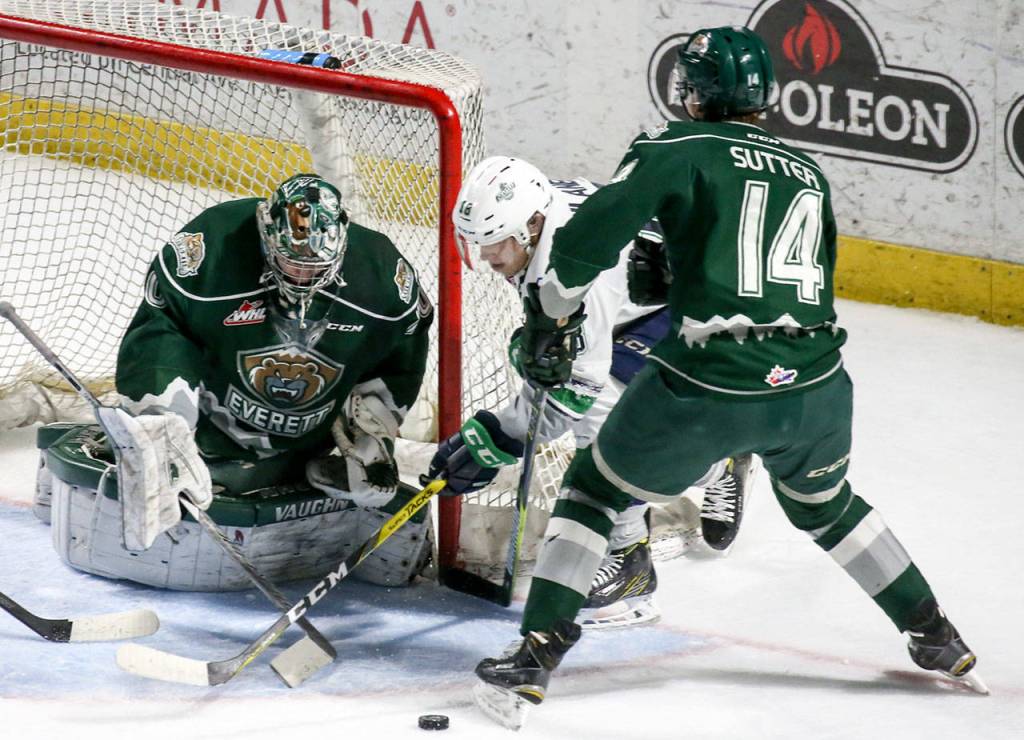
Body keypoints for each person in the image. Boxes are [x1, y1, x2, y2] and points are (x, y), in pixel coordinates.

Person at [470, 26, 985, 728]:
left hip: (711, 383)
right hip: (817, 384)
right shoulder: (810, 173)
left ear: (693, 93)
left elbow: (590, 236)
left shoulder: (675, 145)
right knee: (827, 506)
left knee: (594, 487)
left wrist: (551, 313)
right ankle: (937, 634)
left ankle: (535, 654)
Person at [36, 173, 435, 590]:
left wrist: (372, 430)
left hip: (303, 443)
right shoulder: (211, 251)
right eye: (290, 260)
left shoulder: (386, 281)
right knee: (153, 448)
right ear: (266, 233)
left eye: (313, 266)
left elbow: (401, 352)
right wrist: (162, 422)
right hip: (208, 427)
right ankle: (178, 448)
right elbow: (160, 330)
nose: (301, 275)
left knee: (366, 485)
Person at [429, 156, 753, 629]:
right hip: (644, 306)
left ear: (532, 225)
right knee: (545, 365)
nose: (486, 258)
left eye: (494, 244)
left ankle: (630, 567)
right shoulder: (541, 216)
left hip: (706, 322)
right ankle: (722, 467)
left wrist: (493, 439)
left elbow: (571, 398)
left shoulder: (580, 267)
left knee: (610, 427)